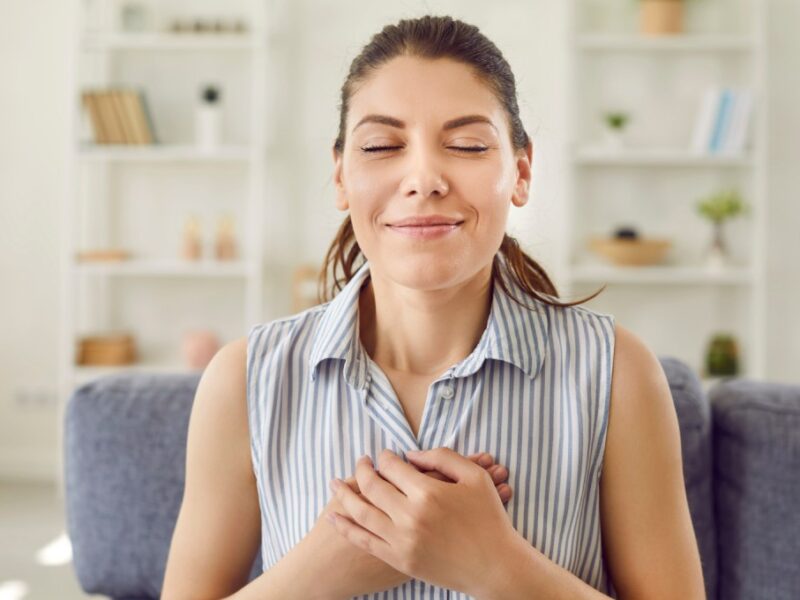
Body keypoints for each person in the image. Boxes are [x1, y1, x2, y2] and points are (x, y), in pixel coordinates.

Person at [162, 15, 705, 600]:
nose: (423, 178)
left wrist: (496, 566)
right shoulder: (245, 380)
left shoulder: (617, 372)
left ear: (520, 172)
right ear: (341, 174)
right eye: (381, 146)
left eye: (467, 145)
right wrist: (322, 569)